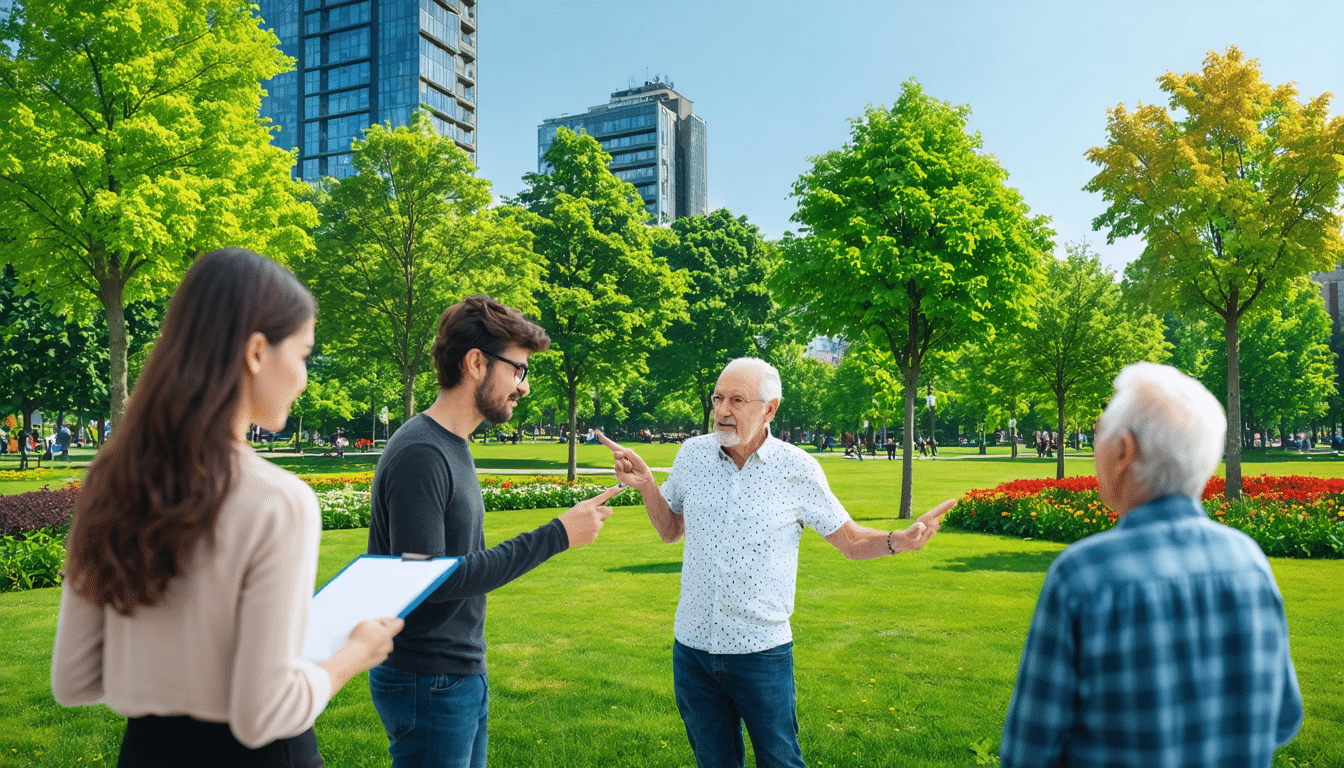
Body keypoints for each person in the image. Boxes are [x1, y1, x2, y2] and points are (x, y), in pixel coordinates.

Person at [51, 248, 404, 767]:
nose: (304, 376)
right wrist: (353, 656)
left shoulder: (111, 481)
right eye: (303, 354)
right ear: (257, 352)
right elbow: (263, 712)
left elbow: (74, 679)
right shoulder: (278, 502)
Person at [598, 358, 953, 768]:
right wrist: (645, 485)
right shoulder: (692, 455)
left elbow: (852, 541)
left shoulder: (798, 469)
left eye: (737, 400)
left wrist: (899, 541)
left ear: (770, 409)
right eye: (718, 398)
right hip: (692, 651)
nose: (722, 410)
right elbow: (670, 529)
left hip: (760, 654)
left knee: (780, 761)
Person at [999, 362, 1302, 768]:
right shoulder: (1249, 562)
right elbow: (1284, 719)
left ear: (1124, 451)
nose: (1093, 448)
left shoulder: (1084, 575)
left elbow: (1027, 753)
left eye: (1097, 432)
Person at [366, 295, 622, 768]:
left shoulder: (451, 444)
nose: (523, 386)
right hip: (428, 677)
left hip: (457, 672)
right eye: (518, 369)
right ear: (476, 362)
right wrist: (557, 535)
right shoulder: (421, 453)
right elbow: (428, 580)